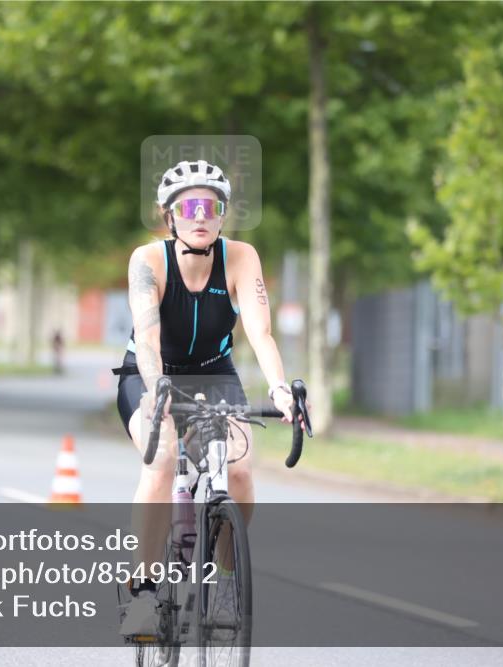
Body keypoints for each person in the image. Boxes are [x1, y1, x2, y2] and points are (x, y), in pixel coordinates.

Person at [114, 159, 304, 635]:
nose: (201, 215)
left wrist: (280, 388)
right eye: (189, 206)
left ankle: (221, 578)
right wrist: (158, 392)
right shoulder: (147, 260)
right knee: (162, 461)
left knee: (238, 471)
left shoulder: (241, 257)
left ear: (223, 214)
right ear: (170, 216)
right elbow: (148, 336)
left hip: (213, 373)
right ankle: (143, 593)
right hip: (150, 373)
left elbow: (260, 333)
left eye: (211, 206)